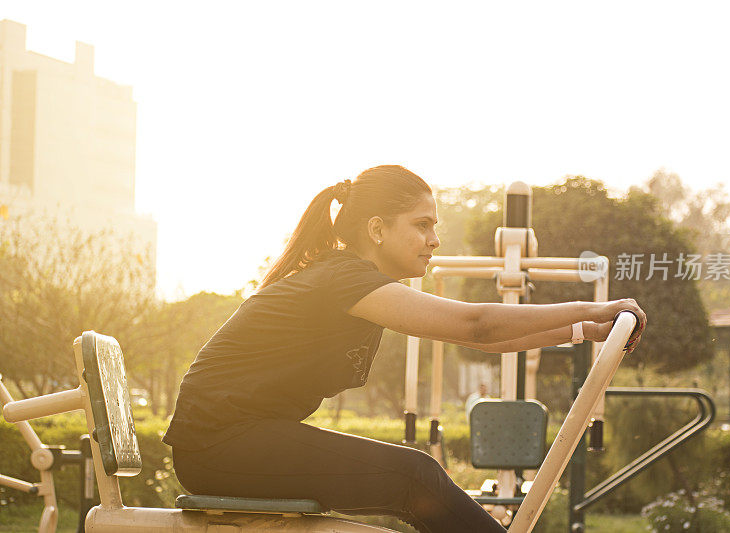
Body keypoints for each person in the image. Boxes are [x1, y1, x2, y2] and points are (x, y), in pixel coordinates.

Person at [162, 165, 646, 533]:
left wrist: (585, 329)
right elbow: (476, 325)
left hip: (231, 441)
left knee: (413, 480)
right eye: (421, 226)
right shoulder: (342, 278)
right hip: (218, 443)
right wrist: (594, 307)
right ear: (376, 230)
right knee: (416, 477)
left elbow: (481, 336)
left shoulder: (357, 283)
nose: (434, 240)